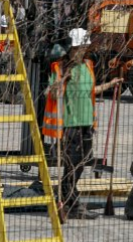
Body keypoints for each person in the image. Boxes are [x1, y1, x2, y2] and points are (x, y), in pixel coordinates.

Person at [43, 27, 122, 221]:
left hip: (87, 124)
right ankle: (72, 203)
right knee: (72, 166)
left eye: (84, 47)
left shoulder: (87, 65)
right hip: (70, 125)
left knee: (80, 165)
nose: (83, 51)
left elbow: (90, 91)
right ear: (73, 48)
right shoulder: (60, 67)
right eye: (80, 47)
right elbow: (51, 94)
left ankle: (65, 198)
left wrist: (111, 85)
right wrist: (62, 81)